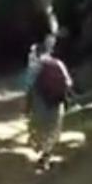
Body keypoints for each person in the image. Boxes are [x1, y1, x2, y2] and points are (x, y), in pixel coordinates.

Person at [24, 36, 73, 171]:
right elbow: (68, 83)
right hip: (56, 102)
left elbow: (28, 87)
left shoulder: (34, 68)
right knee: (53, 130)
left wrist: (27, 106)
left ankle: (42, 151)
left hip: (39, 105)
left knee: (39, 129)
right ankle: (46, 154)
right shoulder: (58, 63)